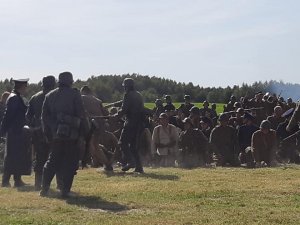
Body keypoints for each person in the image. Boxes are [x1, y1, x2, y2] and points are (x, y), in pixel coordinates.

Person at [40, 72, 88, 198]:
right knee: (70, 162)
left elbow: (44, 117)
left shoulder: (49, 95)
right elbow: (82, 115)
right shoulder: (74, 94)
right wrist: (84, 133)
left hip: (56, 135)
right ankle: (65, 190)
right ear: (70, 81)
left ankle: (44, 189)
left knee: (52, 161)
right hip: (72, 135)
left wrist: (49, 133)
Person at [26, 76, 56, 190]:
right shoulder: (56, 96)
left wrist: (33, 127)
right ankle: (59, 184)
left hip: (38, 132)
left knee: (40, 158)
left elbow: (28, 116)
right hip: (54, 131)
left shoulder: (34, 97)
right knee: (56, 157)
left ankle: (38, 184)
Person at [0, 78, 31, 187]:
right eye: (26, 86)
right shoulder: (14, 98)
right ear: (22, 87)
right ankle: (5, 181)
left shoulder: (16, 97)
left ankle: (17, 180)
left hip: (17, 131)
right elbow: (8, 116)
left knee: (17, 156)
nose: (27, 89)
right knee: (11, 157)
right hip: (14, 131)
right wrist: (3, 131)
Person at [114, 78, 145, 173]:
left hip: (130, 123)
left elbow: (124, 109)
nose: (124, 89)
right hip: (139, 124)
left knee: (122, 143)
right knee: (132, 147)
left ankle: (131, 162)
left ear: (127, 86)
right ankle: (139, 167)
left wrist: (116, 116)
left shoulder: (127, 95)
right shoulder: (138, 95)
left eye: (125, 87)